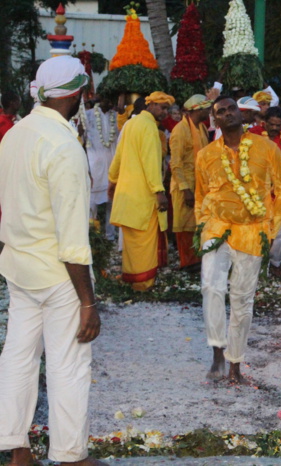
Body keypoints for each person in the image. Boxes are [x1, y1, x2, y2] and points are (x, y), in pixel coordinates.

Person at [0, 55, 104, 466]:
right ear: (76, 94)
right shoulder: (63, 146)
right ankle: (71, 455)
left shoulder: (15, 134)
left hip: (19, 266)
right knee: (69, 364)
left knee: (18, 357)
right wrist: (88, 301)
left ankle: (18, 449)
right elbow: (73, 237)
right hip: (59, 276)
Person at [195, 96, 281, 384]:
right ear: (216, 121)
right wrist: (202, 225)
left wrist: (271, 230)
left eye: (230, 108)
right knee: (211, 286)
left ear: (241, 113)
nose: (227, 114)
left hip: (253, 231)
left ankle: (235, 362)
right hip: (216, 228)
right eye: (220, 112)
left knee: (242, 298)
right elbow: (201, 195)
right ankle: (216, 351)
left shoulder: (267, 148)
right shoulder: (206, 155)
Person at [108, 91, 174, 291]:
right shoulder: (148, 127)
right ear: (150, 105)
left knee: (131, 241)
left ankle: (131, 278)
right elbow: (151, 162)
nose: (164, 113)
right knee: (143, 240)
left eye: (166, 109)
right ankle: (142, 283)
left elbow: (118, 155)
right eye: (162, 108)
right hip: (143, 195)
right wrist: (158, 191)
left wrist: (112, 179)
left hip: (127, 193)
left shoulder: (131, 124)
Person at [250, 106, 281, 272]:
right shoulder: (254, 134)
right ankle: (258, 265)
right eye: (271, 124)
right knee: (259, 230)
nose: (275, 128)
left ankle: (274, 263)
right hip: (258, 192)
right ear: (265, 123)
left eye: (278, 125)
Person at [169, 94, 212, 270]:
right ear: (198, 110)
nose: (209, 111)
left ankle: (196, 259)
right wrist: (186, 189)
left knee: (197, 223)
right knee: (185, 226)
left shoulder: (201, 127)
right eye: (207, 108)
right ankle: (187, 262)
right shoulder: (180, 130)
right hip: (183, 185)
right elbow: (176, 163)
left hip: (199, 183)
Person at [83, 95, 119, 240]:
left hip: (111, 162)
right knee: (92, 200)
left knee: (112, 199)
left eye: (110, 99)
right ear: (99, 100)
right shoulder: (88, 115)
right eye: (106, 99)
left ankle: (111, 234)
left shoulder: (116, 116)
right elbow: (82, 138)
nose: (108, 102)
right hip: (94, 163)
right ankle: (93, 235)